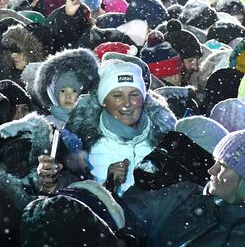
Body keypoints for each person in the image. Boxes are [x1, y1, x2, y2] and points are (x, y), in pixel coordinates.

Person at [40, 60, 176, 196]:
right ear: (103, 101)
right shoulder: (80, 141)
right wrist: (51, 183)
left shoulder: (165, 139)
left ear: (143, 98)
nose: (127, 103)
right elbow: (72, 200)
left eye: (134, 94)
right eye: (117, 96)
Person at [123, 129, 245, 246]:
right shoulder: (188, 197)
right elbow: (130, 216)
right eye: (215, 162)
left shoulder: (238, 236)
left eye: (223, 166)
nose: (211, 170)